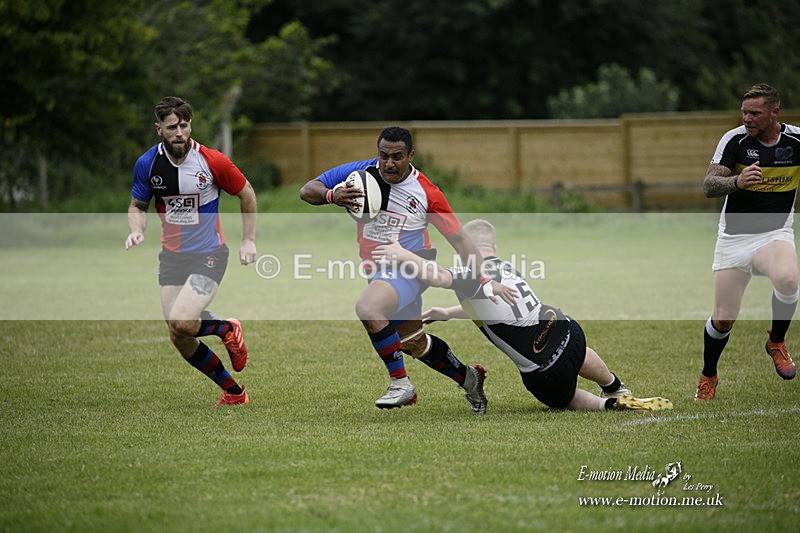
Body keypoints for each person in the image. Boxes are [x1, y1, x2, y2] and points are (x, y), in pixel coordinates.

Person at [372, 219, 673, 412]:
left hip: (544, 368)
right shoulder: (506, 267)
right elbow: (496, 306)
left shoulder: (472, 274)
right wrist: (448, 313)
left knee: (562, 398)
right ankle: (615, 386)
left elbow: (437, 276)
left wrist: (401, 253)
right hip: (569, 332)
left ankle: (607, 405)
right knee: (574, 350)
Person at [299, 126, 489, 412]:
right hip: (376, 270)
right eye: (384, 155)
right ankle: (470, 379)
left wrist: (484, 279)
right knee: (413, 342)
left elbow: (460, 239)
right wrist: (332, 195)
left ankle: (401, 384)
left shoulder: (426, 193)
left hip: (411, 266)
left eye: (397, 156)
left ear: (410, 155)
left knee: (368, 308)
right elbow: (307, 190)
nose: (389, 163)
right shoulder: (361, 174)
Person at [125, 96, 258, 406]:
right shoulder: (148, 164)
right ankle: (234, 392)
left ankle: (226, 328)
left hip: (209, 254)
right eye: (172, 127)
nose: (180, 133)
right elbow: (137, 205)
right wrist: (136, 229)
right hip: (171, 257)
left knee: (183, 321)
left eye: (184, 126)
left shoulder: (212, 161)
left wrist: (248, 240)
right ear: (159, 129)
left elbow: (246, 193)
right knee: (178, 333)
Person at [696, 83, 800, 400]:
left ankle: (776, 342)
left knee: (788, 278)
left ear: (774, 112)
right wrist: (737, 181)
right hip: (733, 238)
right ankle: (708, 374)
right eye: (744, 112)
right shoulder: (735, 140)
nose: (747, 119)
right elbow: (709, 185)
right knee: (723, 318)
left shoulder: (796, 140)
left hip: (774, 234)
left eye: (754, 113)